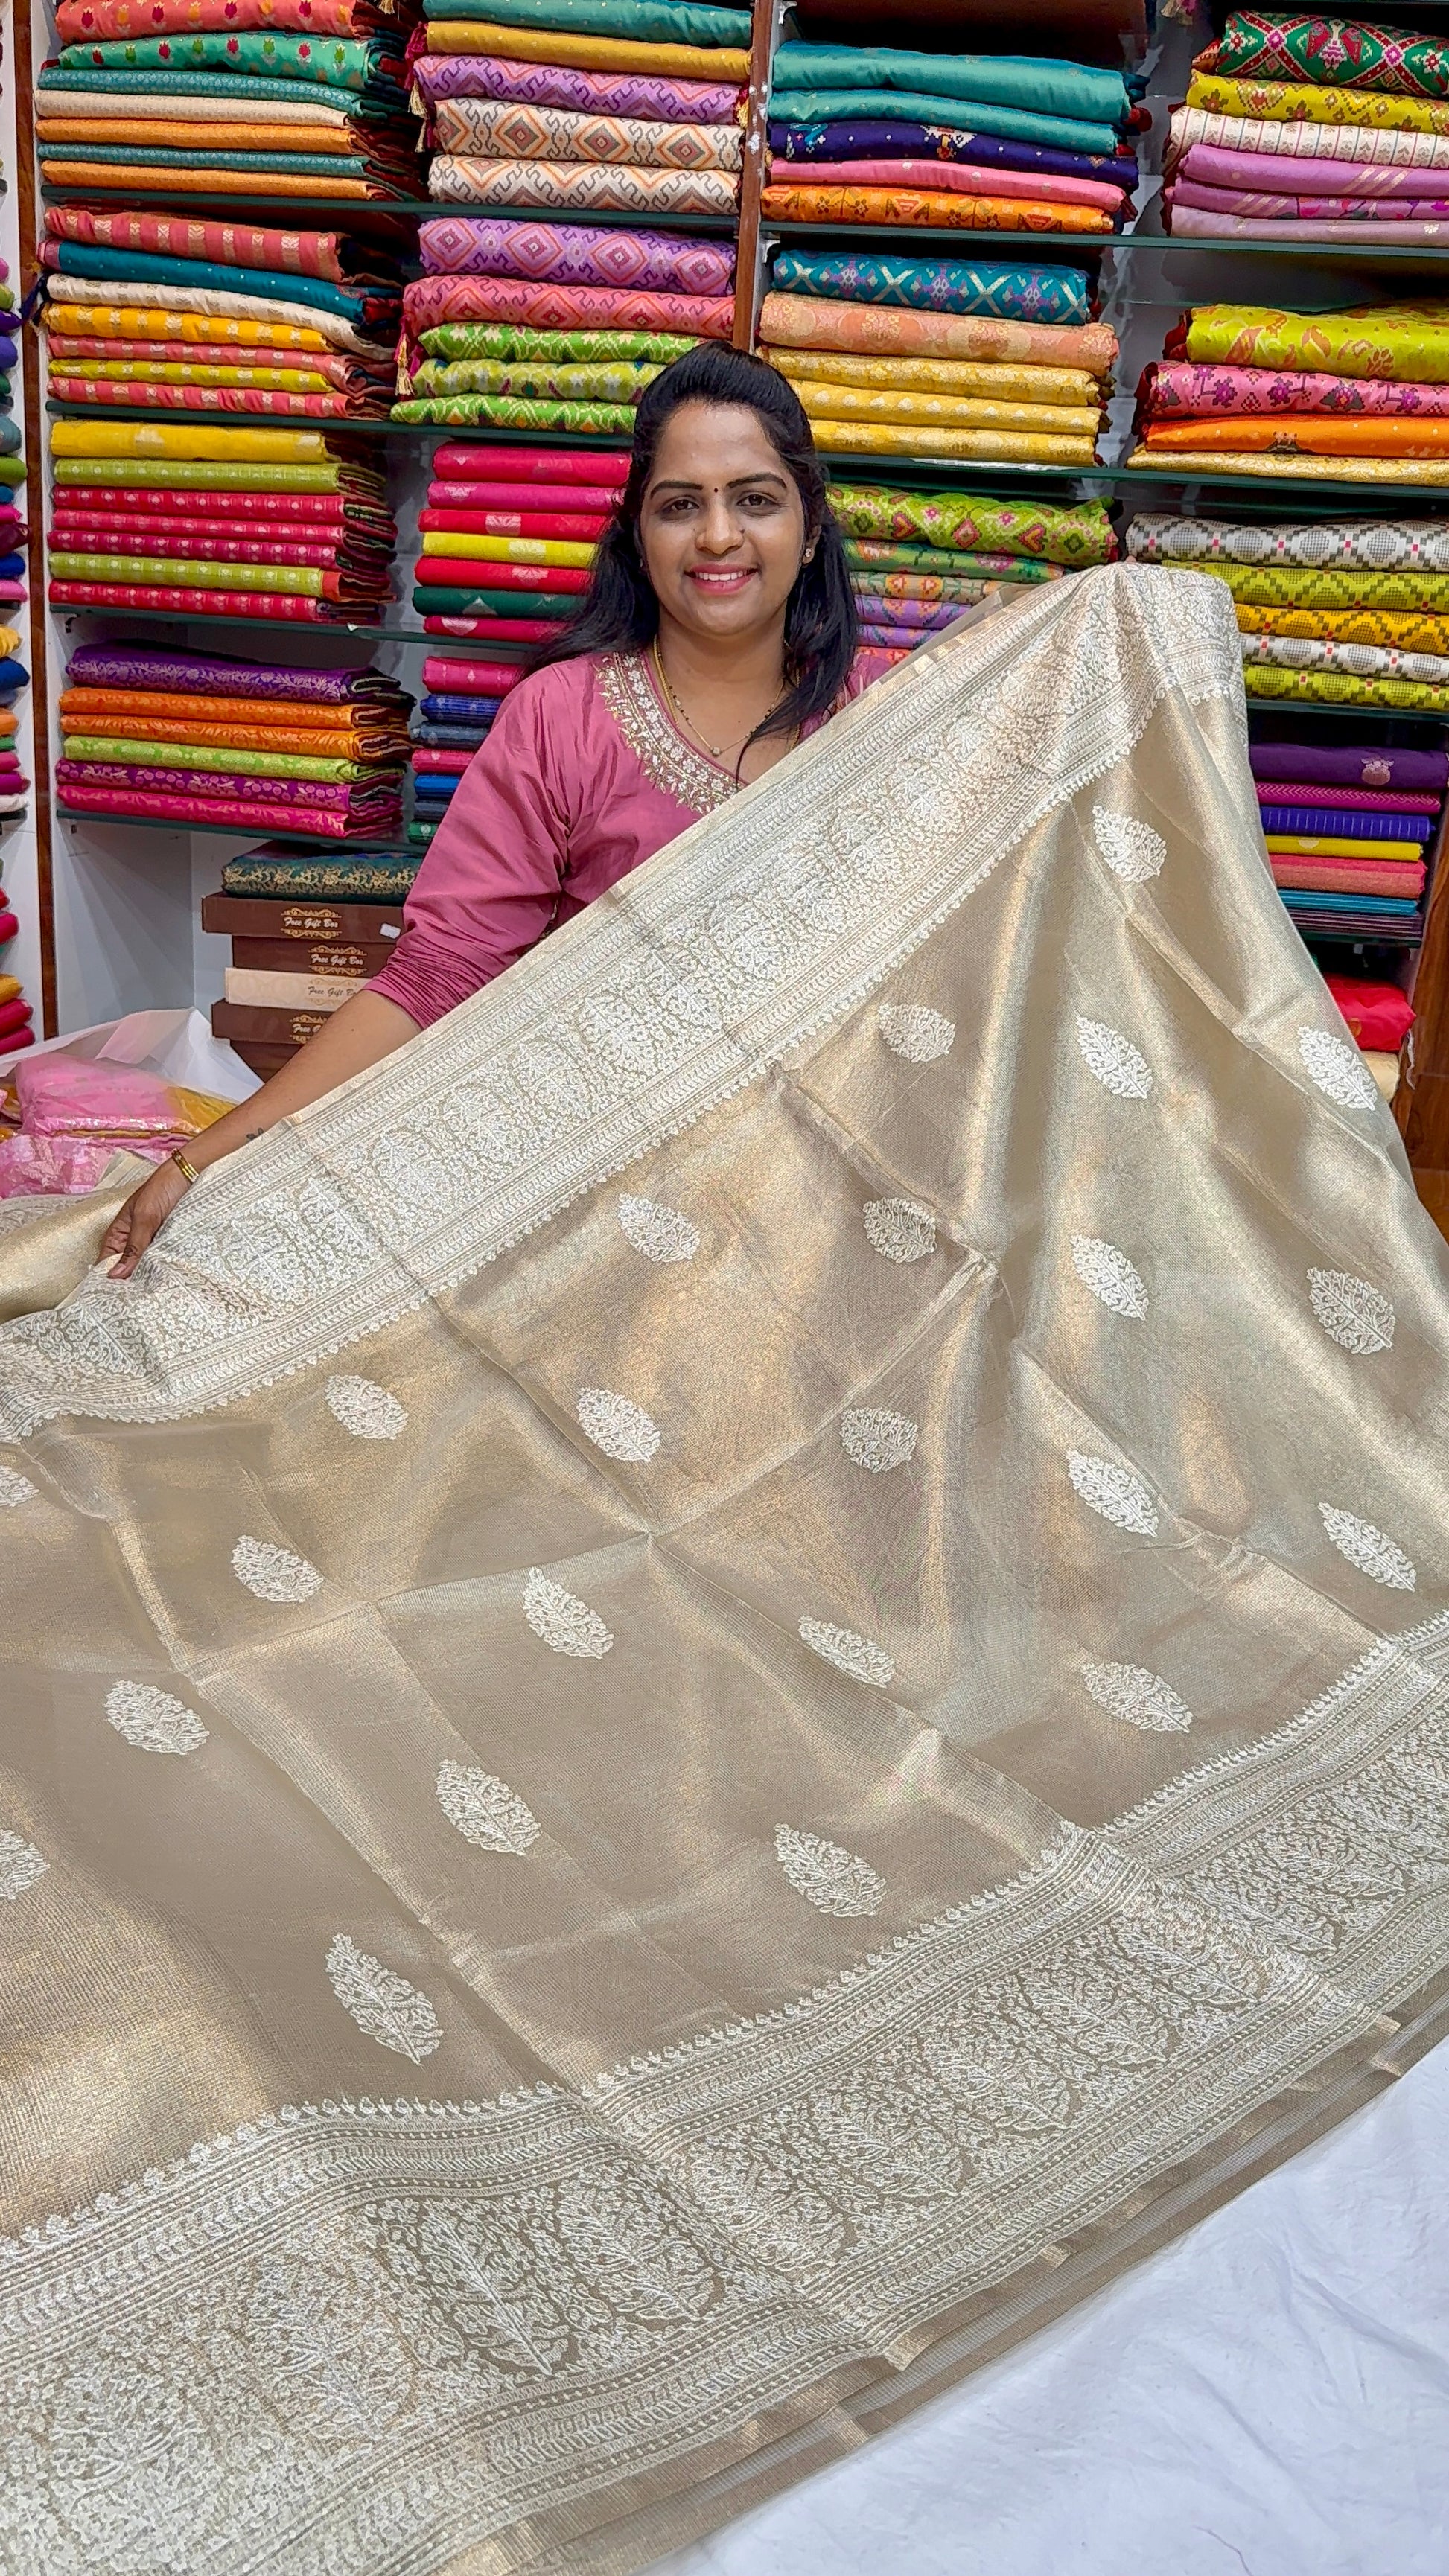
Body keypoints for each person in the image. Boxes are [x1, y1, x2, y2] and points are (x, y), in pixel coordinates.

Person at [102, 343, 889, 1278]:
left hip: (821, 1173)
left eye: (754, 499)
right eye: (679, 505)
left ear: (809, 527)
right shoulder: (563, 717)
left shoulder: (882, 716)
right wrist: (206, 1159)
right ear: (637, 535)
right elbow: (436, 975)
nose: (718, 535)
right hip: (602, 1179)